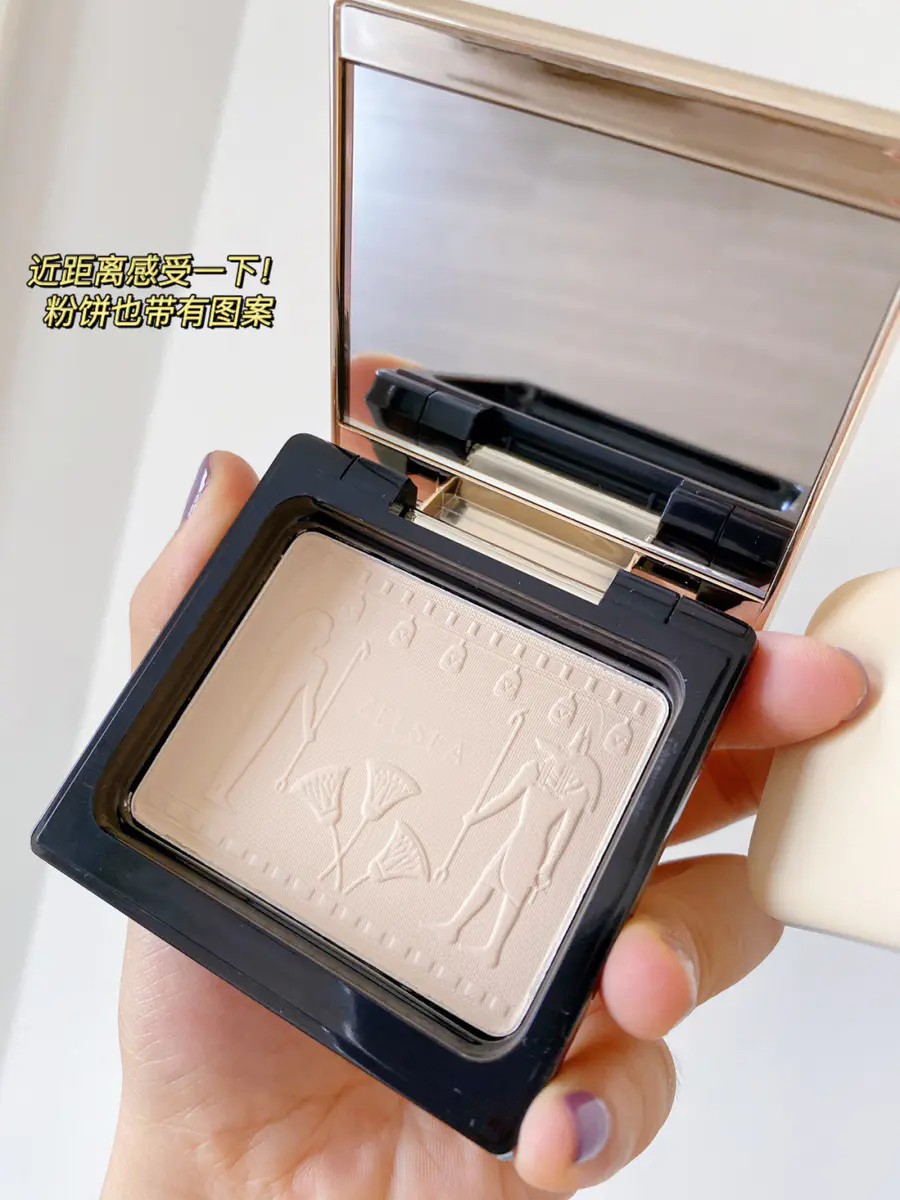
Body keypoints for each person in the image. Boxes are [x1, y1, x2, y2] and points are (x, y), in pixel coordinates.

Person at [105, 367, 870, 1198]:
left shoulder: (572, 767)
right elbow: (504, 797)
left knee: (509, 910)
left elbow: (538, 813)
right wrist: (208, 1158)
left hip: (519, 855)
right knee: (499, 903)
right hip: (458, 836)